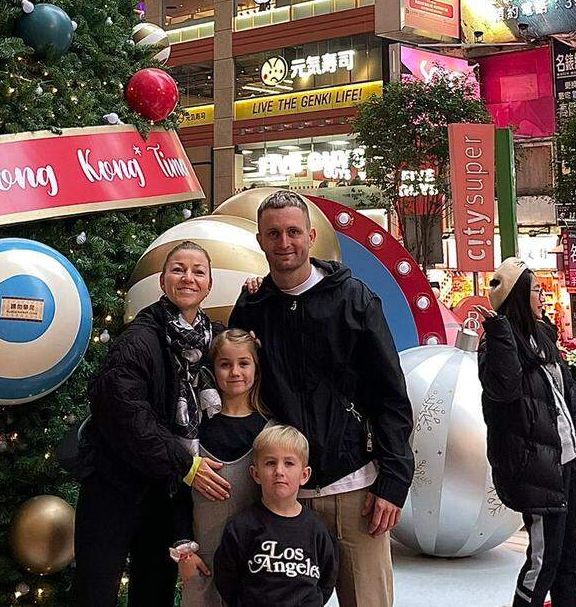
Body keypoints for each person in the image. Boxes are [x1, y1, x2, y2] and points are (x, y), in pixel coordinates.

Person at [229, 190, 413, 607]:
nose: (284, 242)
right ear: (260, 241)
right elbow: (238, 389)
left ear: (311, 236)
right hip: (283, 494)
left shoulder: (354, 299)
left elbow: (390, 395)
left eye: (294, 232)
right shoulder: (253, 305)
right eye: (273, 234)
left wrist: (395, 479)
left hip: (355, 490)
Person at [74, 241, 229, 606]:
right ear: (162, 282)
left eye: (198, 271)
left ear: (209, 285)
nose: (188, 278)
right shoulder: (138, 340)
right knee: (96, 591)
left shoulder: (214, 341)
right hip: (113, 488)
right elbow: (125, 413)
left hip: (163, 493)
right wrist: (185, 464)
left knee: (155, 590)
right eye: (178, 269)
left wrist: (258, 292)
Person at [477, 258, 576, 607]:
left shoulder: (544, 335)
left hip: (568, 462)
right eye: (535, 289)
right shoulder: (496, 346)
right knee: (542, 563)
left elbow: (570, 400)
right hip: (536, 469)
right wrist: (500, 331)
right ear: (519, 295)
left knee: (569, 562)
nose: (542, 296)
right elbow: (504, 390)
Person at [173, 329, 271, 607]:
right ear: (212, 369)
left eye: (244, 363)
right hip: (202, 562)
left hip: (255, 564)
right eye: (225, 364)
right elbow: (178, 494)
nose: (235, 372)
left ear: (257, 367)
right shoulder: (193, 429)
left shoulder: (271, 431)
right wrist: (184, 551)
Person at [213, 425, 337, 607]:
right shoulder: (242, 527)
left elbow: (327, 580)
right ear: (255, 474)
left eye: (289, 463)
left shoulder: (318, 530)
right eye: (270, 463)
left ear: (305, 474)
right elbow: (226, 579)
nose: (279, 471)